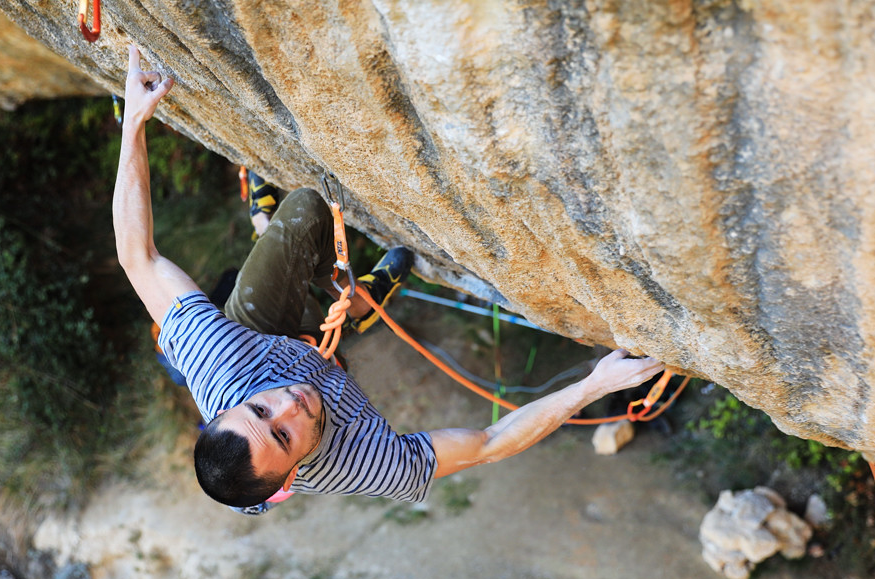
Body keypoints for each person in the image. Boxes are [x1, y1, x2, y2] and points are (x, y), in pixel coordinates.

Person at [113, 46, 666, 516]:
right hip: (299, 361)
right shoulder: (359, 462)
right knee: (322, 354)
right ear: (292, 474)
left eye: (260, 410)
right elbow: (489, 444)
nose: (289, 406)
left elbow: (138, 257)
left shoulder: (222, 363)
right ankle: (346, 311)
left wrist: (135, 123)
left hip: (258, 339)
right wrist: (594, 385)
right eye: (282, 435)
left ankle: (337, 291)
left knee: (304, 211)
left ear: (229, 407)